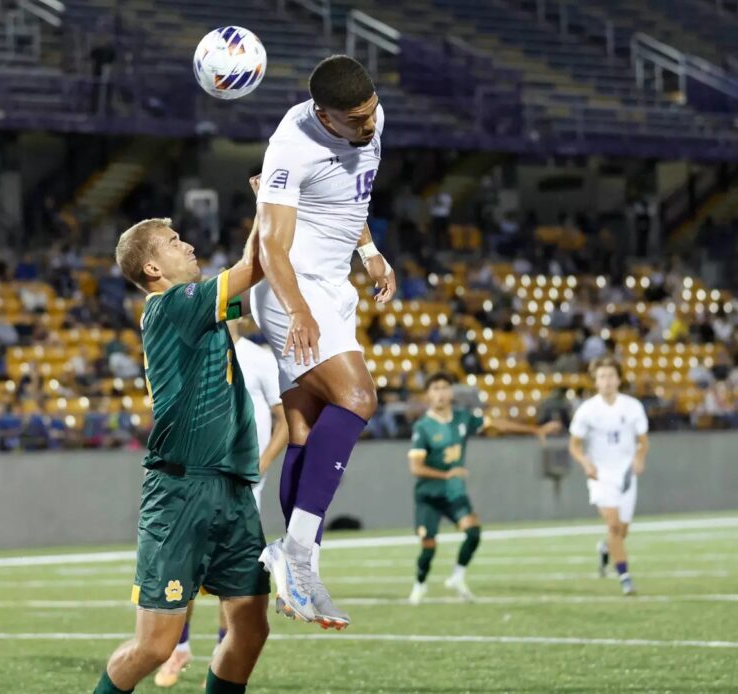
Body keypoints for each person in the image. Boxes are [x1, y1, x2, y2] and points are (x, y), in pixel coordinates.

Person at [96, 202, 270, 694]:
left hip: (232, 487)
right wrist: (268, 201)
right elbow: (252, 267)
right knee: (154, 646)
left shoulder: (199, 309)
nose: (188, 245)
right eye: (174, 243)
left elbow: (250, 282)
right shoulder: (174, 304)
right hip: (180, 490)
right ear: (152, 268)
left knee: (251, 629)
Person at [252, 53, 396, 628]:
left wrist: (370, 251)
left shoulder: (371, 119)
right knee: (358, 398)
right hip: (293, 289)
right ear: (323, 115)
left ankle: (293, 566)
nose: (369, 125)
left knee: (306, 428)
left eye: (371, 111)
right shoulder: (290, 147)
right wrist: (297, 310)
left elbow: (350, 195)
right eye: (356, 119)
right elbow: (271, 248)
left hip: (334, 283)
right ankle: (298, 555)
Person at [154, 317, 288, 688]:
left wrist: (260, 466)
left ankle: (220, 654)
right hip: (198, 483)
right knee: (188, 570)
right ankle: (178, 648)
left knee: (232, 577)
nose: (246, 312)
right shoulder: (193, 356)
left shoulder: (260, 359)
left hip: (243, 487)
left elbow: (284, 421)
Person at [406, 373, 558, 605]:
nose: (440, 393)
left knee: (474, 532)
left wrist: (533, 430)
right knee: (429, 546)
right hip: (428, 495)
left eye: (444, 387)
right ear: (428, 394)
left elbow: (496, 423)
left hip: (454, 492)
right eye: (435, 388)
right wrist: (446, 473)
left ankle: (457, 577)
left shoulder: (462, 418)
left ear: (451, 392)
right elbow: (416, 468)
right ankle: (420, 584)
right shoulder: (423, 426)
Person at [568, 357, 650, 596]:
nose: (607, 381)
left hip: (625, 474)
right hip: (601, 475)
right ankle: (625, 577)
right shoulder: (587, 410)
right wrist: (585, 462)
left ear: (619, 379)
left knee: (622, 532)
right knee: (614, 526)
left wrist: (639, 457)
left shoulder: (632, 406)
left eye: (611, 376)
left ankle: (605, 548)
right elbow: (574, 444)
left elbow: (643, 441)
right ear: (595, 381)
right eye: (602, 377)